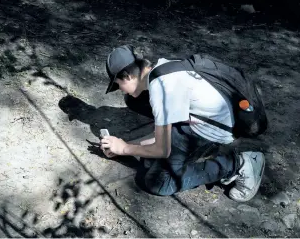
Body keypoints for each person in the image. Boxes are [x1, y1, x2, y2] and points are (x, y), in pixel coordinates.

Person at [100, 45, 265, 202]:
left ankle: (239, 164)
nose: (121, 89)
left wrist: (124, 148)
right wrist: (126, 147)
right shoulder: (162, 67)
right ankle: (201, 153)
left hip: (215, 130)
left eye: (119, 85)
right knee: (136, 107)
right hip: (209, 118)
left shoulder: (161, 89)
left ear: (128, 76)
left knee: (158, 183)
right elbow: (164, 137)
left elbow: (162, 149)